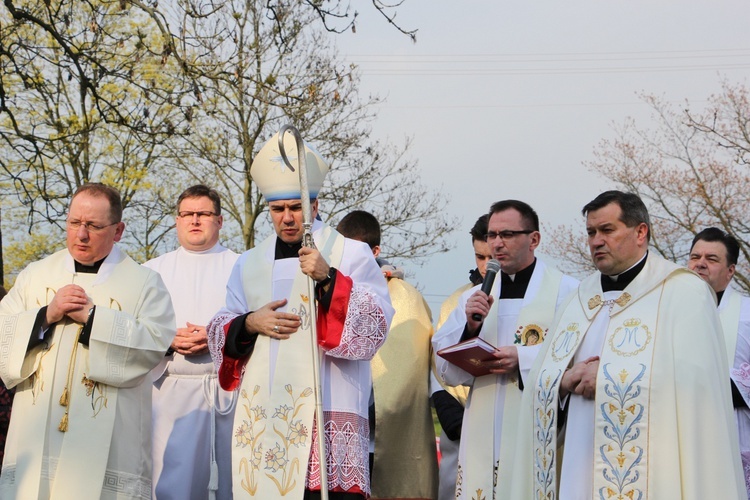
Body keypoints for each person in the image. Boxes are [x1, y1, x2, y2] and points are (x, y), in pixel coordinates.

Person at [512, 190, 746, 499]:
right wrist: (562, 382)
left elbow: (697, 388)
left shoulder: (683, 293)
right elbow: (544, 380)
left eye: (607, 230)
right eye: (591, 232)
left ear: (640, 232)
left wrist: (608, 377)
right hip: (578, 466)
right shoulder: (578, 300)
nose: (596, 240)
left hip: (657, 471)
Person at [207, 132, 394, 500]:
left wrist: (328, 278)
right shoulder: (249, 264)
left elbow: (375, 327)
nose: (289, 218)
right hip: (267, 420)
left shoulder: (350, 254)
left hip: (328, 410)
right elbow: (219, 329)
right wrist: (248, 323)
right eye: (279, 210)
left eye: (297, 208)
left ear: (315, 204)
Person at [0, 183, 176, 499]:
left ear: (118, 230)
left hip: (111, 442)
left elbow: (154, 344)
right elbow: (3, 330)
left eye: (93, 226)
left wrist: (94, 319)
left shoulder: (144, 283)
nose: (81, 235)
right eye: (74, 223)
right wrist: (45, 316)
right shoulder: (35, 276)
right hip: (36, 431)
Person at [432, 200, 578, 500]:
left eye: (507, 234)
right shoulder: (475, 296)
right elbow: (445, 370)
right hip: (481, 428)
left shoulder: (567, 292)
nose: (497, 243)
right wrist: (469, 329)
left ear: (534, 239)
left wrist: (523, 359)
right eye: (492, 235)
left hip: (536, 426)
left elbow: (577, 358)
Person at [145, 185, 239, 499]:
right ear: (177, 220)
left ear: (220, 220)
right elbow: (136, 328)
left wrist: (217, 336)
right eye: (187, 214)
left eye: (203, 214)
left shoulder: (243, 266)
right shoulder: (150, 272)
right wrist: (167, 338)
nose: (195, 220)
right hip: (169, 392)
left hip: (227, 392)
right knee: (172, 484)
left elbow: (255, 323)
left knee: (229, 483)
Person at [336, 210, 438, 500]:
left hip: (381, 435)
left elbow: (410, 368)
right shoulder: (328, 290)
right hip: (340, 435)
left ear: (375, 251)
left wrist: (375, 412)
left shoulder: (405, 298)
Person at [430, 214, 490, 500]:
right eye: (480, 256)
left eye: (493, 255)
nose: (488, 265)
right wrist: (450, 412)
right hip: (461, 420)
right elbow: (437, 359)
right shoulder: (457, 301)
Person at [688, 227, 750, 495]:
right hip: (681, 434)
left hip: (733, 434)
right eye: (694, 257)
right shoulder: (664, 312)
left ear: (731, 270)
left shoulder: (746, 313)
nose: (700, 263)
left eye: (712, 259)